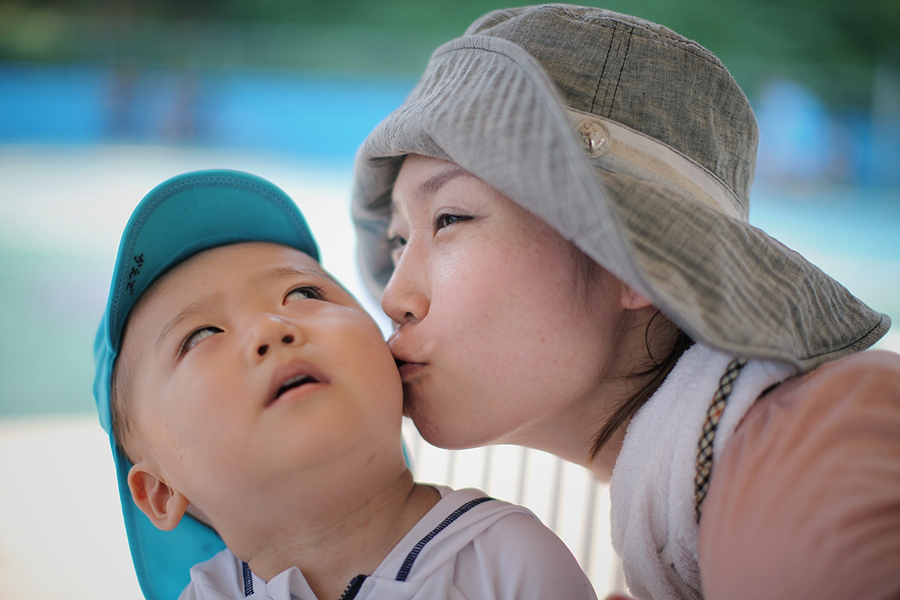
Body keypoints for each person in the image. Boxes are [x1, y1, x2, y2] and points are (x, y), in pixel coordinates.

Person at [351, 5, 900, 600]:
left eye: (450, 218)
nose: (394, 296)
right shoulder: (722, 495)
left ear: (632, 261)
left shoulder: (824, 456)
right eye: (398, 242)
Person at [92, 169, 598, 600]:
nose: (270, 327)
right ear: (160, 491)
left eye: (303, 294)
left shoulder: (506, 562)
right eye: (201, 335)